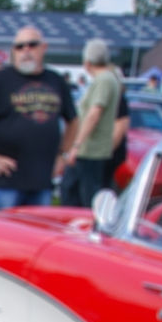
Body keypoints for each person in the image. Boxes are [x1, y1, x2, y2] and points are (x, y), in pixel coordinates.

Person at [0, 26, 78, 208]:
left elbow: (74, 120)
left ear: (43, 48)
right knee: (1, 235)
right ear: (13, 51)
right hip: (5, 182)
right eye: (19, 46)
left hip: (42, 181)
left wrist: (63, 154)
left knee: (37, 234)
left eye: (32, 45)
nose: (25, 51)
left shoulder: (56, 80)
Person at [60, 40, 122, 206]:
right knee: (70, 190)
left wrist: (76, 145)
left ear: (87, 63)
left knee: (84, 196)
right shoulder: (107, 79)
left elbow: (94, 113)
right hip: (88, 150)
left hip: (90, 151)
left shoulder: (104, 80)